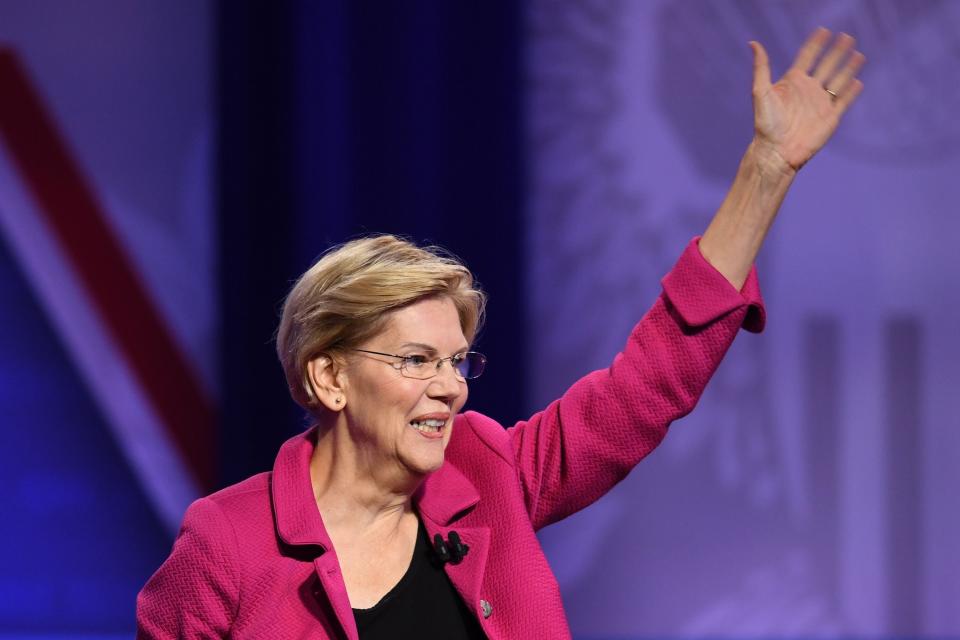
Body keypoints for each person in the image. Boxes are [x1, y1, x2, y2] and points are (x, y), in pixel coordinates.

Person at [137, 27, 865, 639]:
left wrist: (765, 169)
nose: (451, 388)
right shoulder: (228, 544)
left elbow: (645, 387)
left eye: (457, 361)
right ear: (329, 376)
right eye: (418, 360)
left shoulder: (486, 472)